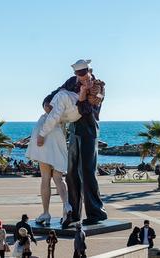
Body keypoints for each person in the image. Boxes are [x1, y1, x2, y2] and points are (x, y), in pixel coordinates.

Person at [44, 59, 107, 227]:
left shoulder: (98, 86)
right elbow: (57, 92)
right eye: (79, 76)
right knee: (71, 173)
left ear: (89, 70)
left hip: (89, 129)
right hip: (74, 130)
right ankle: (73, 212)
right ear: (75, 74)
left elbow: (87, 109)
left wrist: (83, 94)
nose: (82, 79)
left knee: (87, 171)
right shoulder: (72, 81)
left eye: (85, 74)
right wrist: (46, 102)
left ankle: (96, 212)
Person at [26, 90, 80, 226]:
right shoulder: (62, 115)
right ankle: (67, 206)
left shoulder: (46, 117)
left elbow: (39, 137)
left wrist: (40, 137)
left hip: (45, 139)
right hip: (59, 140)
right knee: (58, 178)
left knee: (45, 178)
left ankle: (46, 213)